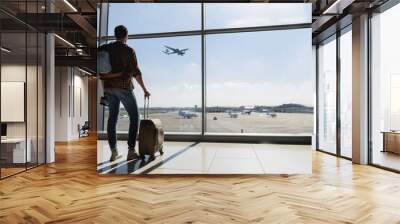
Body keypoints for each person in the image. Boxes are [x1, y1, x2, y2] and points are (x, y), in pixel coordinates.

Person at [98, 25, 150, 162]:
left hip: (109, 88)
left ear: (115, 35)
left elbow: (100, 71)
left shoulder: (104, 48)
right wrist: (144, 89)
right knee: (134, 117)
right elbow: (136, 73)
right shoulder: (128, 50)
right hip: (124, 87)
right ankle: (131, 151)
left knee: (112, 119)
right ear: (126, 35)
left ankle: (114, 151)